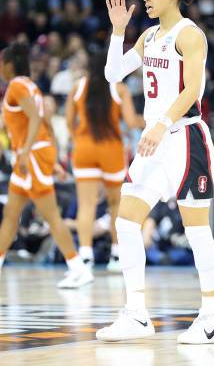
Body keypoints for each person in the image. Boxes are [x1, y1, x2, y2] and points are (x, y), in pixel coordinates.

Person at [96, 0, 214, 344]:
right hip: (154, 142)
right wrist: (118, 31)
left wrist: (160, 123)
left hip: (185, 138)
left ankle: (212, 317)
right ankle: (136, 314)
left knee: (197, 229)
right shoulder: (149, 35)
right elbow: (113, 74)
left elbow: (193, 90)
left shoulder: (190, 35)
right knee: (125, 223)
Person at [0, 42, 91, 288]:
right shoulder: (32, 86)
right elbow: (45, 121)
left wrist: (26, 153)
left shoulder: (16, 86)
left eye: (1, 64)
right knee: (11, 213)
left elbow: (34, 118)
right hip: (35, 154)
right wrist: (51, 161)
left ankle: (78, 267)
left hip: (30, 155)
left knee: (51, 215)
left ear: (9, 65)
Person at [66, 53, 144, 272]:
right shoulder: (119, 88)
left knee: (86, 205)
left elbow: (69, 121)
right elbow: (130, 122)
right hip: (110, 149)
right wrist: (150, 120)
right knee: (115, 204)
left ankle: (85, 255)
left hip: (84, 147)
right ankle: (116, 255)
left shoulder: (78, 87)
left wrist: (78, 138)